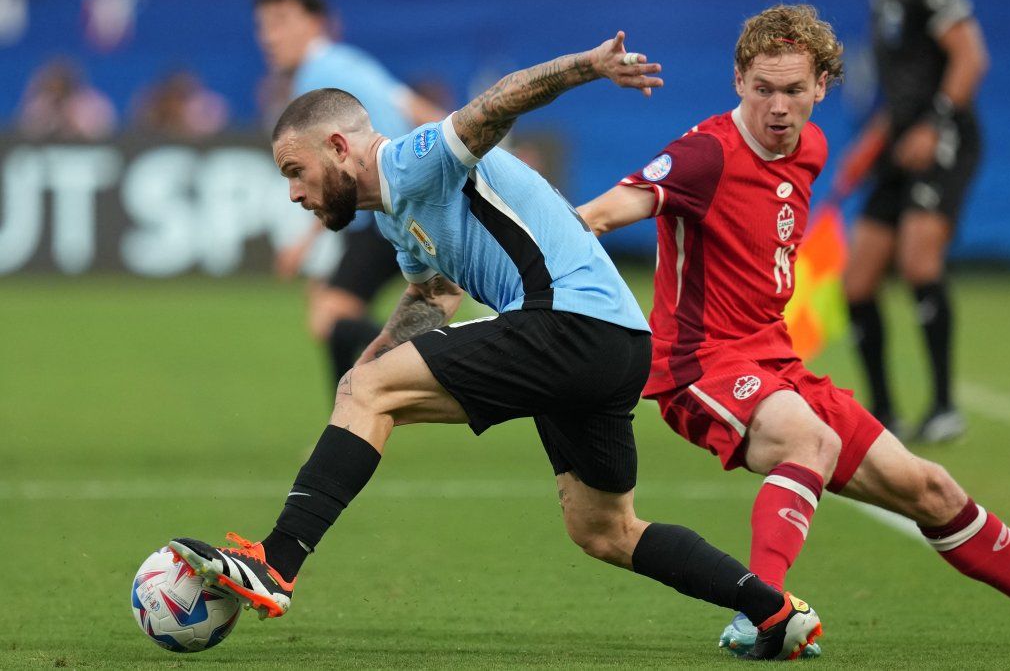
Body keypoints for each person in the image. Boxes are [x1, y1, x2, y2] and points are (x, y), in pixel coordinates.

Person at [168, 33, 821, 661]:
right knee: (604, 529)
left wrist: (589, 66)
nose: (293, 192)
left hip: (569, 321)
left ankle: (275, 564)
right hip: (617, 345)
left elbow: (501, 100)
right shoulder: (397, 213)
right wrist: (365, 377)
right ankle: (773, 611)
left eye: (296, 170)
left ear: (339, 146)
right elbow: (435, 297)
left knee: (369, 390)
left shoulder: (411, 158)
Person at [581, 3, 1010, 654]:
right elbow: (602, 213)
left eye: (794, 90)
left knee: (931, 487)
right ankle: (761, 614)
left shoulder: (811, 146)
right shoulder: (703, 154)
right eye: (763, 89)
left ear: (822, 88)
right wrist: (512, 256)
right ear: (738, 82)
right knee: (808, 440)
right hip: (700, 365)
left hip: (776, 361)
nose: (778, 106)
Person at [254, 0, 445, 389]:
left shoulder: (317, 81)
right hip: (394, 209)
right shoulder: (351, 63)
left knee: (330, 316)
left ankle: (441, 358)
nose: (269, 37)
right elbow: (414, 109)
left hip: (385, 212)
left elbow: (339, 173)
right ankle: (358, 415)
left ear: (315, 23)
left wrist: (303, 244)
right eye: (263, 25)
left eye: (280, 21)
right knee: (328, 310)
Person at [841, 0, 989, 441]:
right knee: (857, 281)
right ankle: (883, 412)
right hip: (898, 145)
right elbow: (904, 90)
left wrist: (933, 123)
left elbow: (970, 57)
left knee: (919, 263)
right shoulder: (880, 5)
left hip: (941, 142)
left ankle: (944, 407)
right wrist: (869, 144)